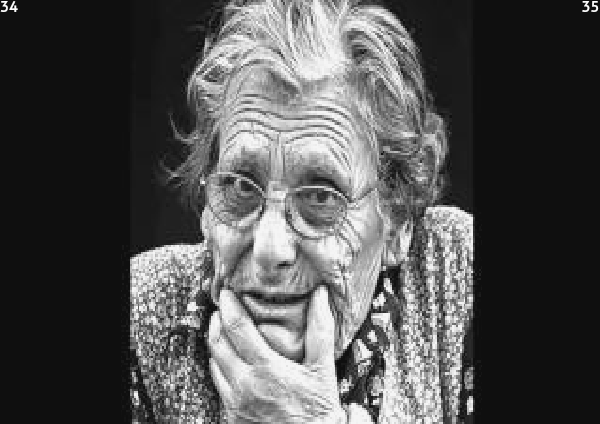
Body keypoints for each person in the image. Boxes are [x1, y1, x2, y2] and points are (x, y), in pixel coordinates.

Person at [130, 0, 473, 422]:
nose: (269, 249)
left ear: (398, 220)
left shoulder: (459, 283)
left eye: (320, 198)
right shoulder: (139, 319)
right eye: (240, 187)